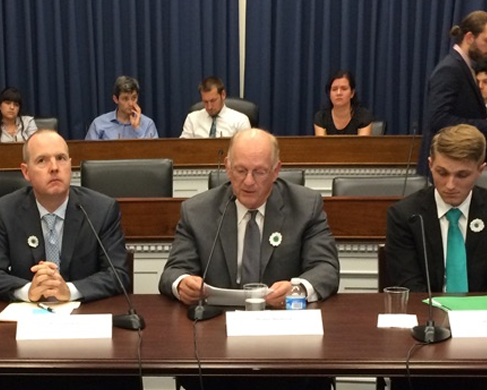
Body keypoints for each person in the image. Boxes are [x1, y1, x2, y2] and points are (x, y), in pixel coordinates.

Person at [159, 128, 339, 390]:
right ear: (227, 167)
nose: (249, 182)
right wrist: (182, 283)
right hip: (217, 346)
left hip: (286, 343)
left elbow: (326, 268)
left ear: (276, 170)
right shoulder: (197, 211)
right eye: (240, 170)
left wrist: (297, 289)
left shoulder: (306, 205)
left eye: (259, 172)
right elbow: (173, 271)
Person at [387, 124, 487, 390]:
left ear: (481, 170)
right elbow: (411, 288)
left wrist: (477, 328)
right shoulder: (405, 215)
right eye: (441, 172)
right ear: (430, 164)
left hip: (484, 330)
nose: (450, 185)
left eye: (462, 175)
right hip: (427, 332)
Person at [0, 129, 130, 302]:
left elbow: (118, 274)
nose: (55, 168)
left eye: (61, 158)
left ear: (70, 165)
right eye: (42, 160)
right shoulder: (6, 210)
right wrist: (28, 290)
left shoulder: (101, 209)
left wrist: (69, 291)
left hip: (84, 316)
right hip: (30, 317)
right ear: (26, 172)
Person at [418, 10, 487, 174]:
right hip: (446, 170)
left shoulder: (465, 67)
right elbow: (439, 120)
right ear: (469, 38)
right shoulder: (450, 69)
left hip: (459, 164)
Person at [86, 75, 159, 140]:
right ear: (116, 99)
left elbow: (154, 152)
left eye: (134, 98)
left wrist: (137, 128)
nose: (131, 103)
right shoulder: (99, 124)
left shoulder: (148, 124)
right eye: (125, 99)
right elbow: (87, 152)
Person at [180, 76, 251, 138]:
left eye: (213, 101)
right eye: (205, 102)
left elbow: (246, 149)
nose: (209, 107)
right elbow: (182, 148)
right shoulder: (192, 119)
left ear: (223, 95)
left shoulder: (240, 120)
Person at [314, 70, 373, 136]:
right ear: (329, 94)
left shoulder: (363, 116)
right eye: (334, 89)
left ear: (352, 93)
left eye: (344, 89)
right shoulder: (321, 117)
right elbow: (321, 145)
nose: (339, 93)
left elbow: (362, 145)